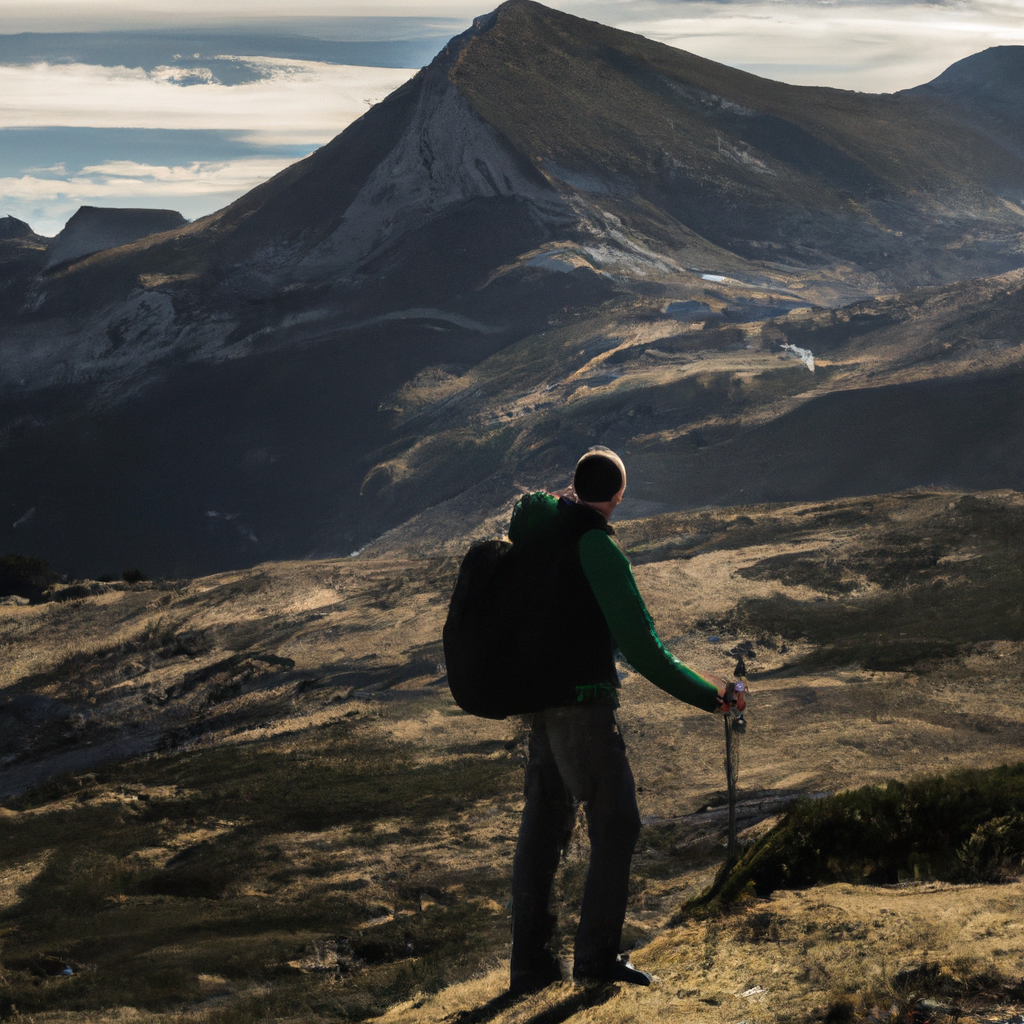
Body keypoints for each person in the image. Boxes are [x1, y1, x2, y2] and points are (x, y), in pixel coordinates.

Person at [508, 446, 731, 994]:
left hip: (541, 705)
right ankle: (596, 959)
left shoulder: (544, 530)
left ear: (575, 486)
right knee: (618, 822)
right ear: (618, 497)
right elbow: (644, 648)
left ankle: (531, 965)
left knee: (542, 830)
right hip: (582, 708)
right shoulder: (598, 548)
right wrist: (713, 697)